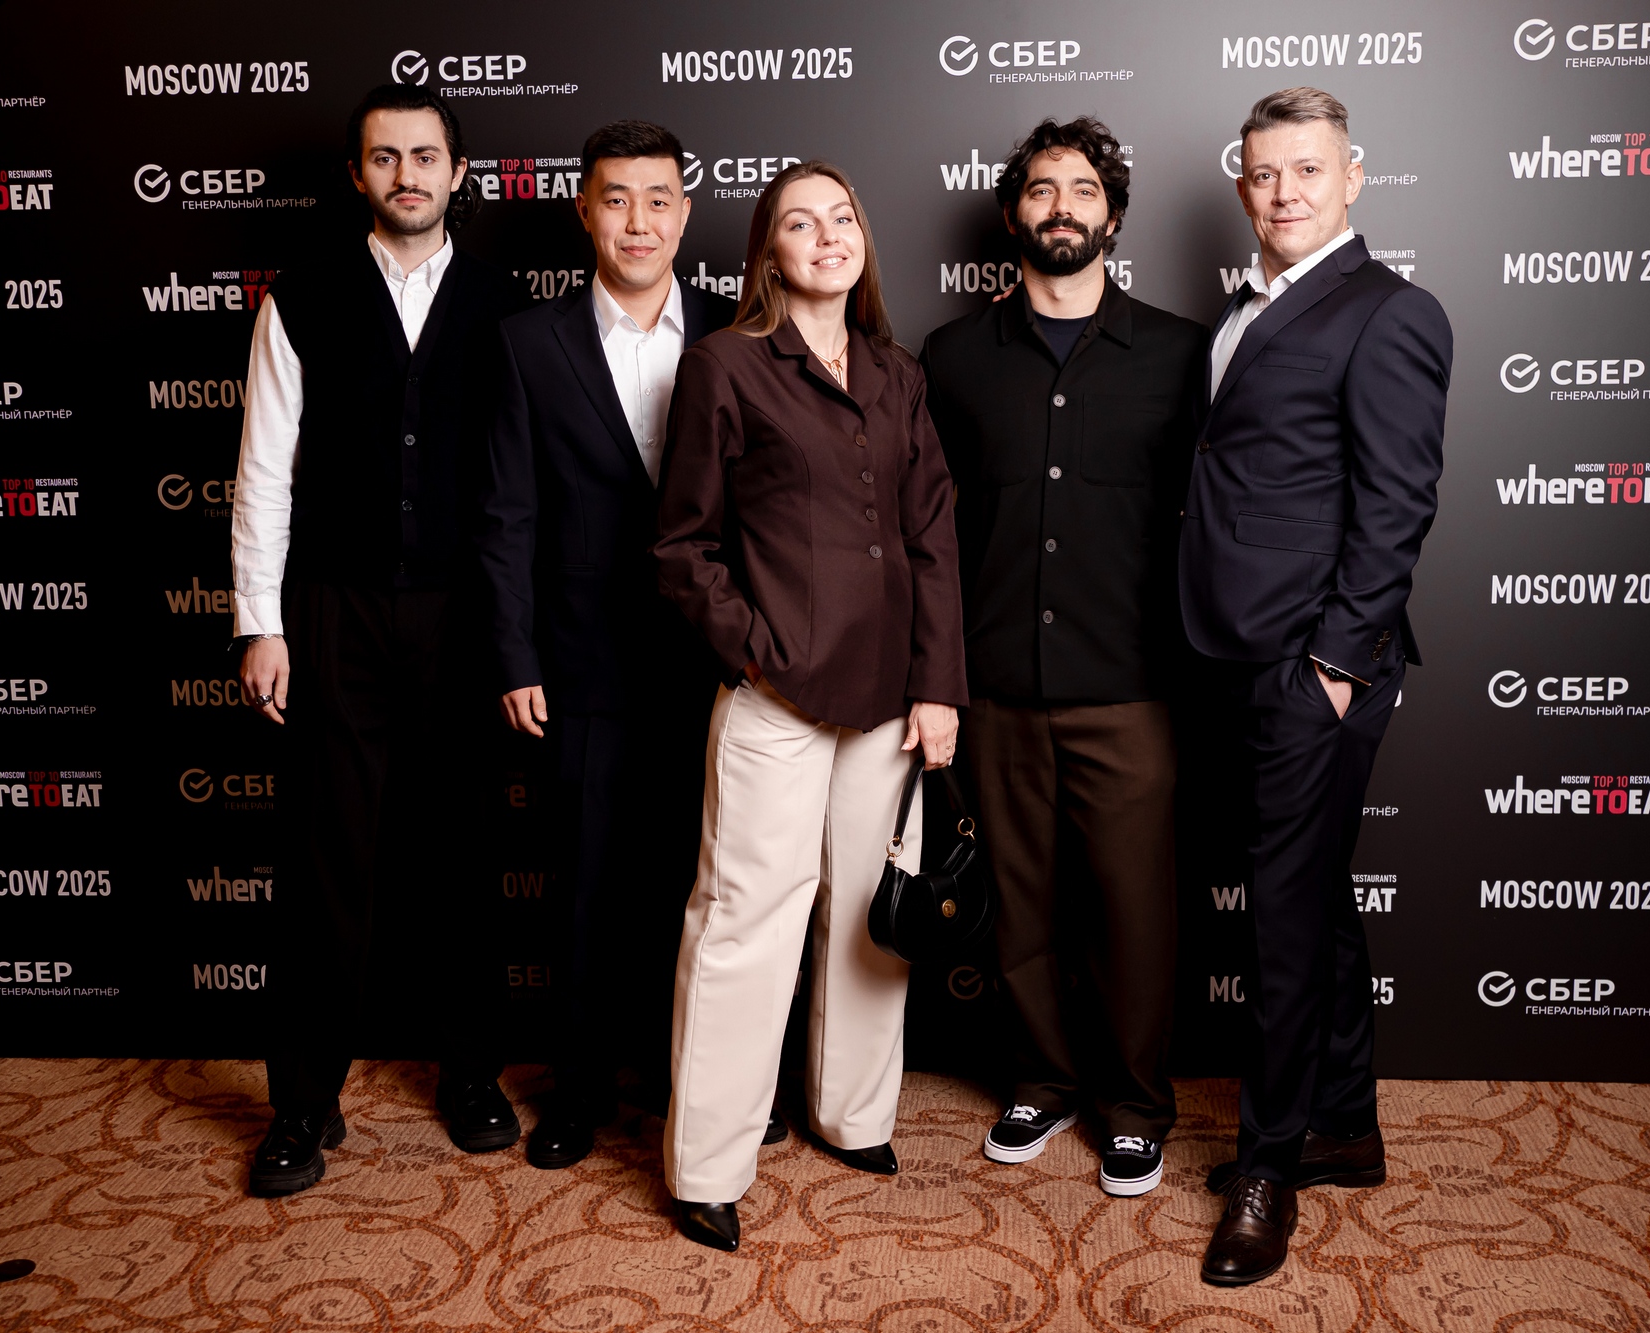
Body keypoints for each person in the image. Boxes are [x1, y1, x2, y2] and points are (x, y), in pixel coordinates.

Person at [652, 161, 969, 1252]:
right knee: (745, 922)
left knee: (868, 919)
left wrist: (938, 686)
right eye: (800, 222)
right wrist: (761, 652)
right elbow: (681, 548)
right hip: (777, 698)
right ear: (767, 255)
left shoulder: (896, 372)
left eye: (842, 218)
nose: (828, 235)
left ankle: (852, 1115)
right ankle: (707, 1162)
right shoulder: (725, 366)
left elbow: (933, 539)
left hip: (890, 700)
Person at [232, 83, 520, 1196]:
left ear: (458, 172)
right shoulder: (300, 298)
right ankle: (302, 1104)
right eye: (386, 156)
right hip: (332, 610)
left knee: (467, 856)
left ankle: (472, 1073)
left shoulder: (505, 306)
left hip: (464, 616)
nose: (407, 174)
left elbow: (522, 486)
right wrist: (260, 623)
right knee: (323, 864)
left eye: (426, 155)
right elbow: (264, 472)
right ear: (358, 174)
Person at [1184, 88, 1450, 1284]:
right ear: (1241, 185)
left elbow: (1396, 507)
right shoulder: (1242, 310)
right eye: (1262, 172)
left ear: (1352, 177)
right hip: (1234, 648)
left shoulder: (1390, 311)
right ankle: (1343, 1123)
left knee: (1282, 916)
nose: (1282, 190)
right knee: (1313, 892)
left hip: (1314, 662)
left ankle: (1268, 1166)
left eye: (1306, 169)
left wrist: (1334, 665)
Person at [920, 116, 1207, 1198]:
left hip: (1130, 686)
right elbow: (925, 532)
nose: (1061, 208)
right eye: (1041, 190)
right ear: (1012, 214)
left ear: (1112, 216)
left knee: (1132, 909)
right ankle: (1041, 1079)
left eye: (1082, 190)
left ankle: (1133, 1104)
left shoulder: (1179, 354)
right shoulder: (953, 356)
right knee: (1019, 903)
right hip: (994, 686)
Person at [480, 120, 744, 1170]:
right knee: (585, 889)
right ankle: (580, 1090)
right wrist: (513, 656)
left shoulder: (735, 327)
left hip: (714, 659)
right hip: (578, 659)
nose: (639, 221)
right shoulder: (526, 342)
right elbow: (506, 516)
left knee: (708, 886)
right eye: (617, 199)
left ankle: (698, 1090)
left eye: (658, 199)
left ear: (684, 213)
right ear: (584, 210)